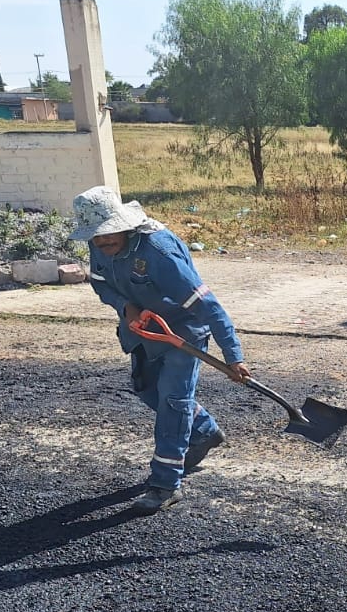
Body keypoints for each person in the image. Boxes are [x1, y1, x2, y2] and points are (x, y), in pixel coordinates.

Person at [70, 185, 250, 514]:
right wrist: (126, 307)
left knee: (172, 402)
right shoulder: (99, 245)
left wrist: (233, 357)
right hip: (142, 328)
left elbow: (209, 307)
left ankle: (165, 484)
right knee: (147, 391)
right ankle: (206, 431)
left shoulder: (158, 253)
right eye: (95, 236)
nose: (101, 242)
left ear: (123, 225)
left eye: (107, 234)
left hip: (182, 330)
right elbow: (99, 281)